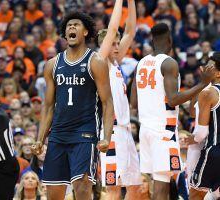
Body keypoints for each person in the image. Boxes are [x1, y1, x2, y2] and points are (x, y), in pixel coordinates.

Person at [31, 11, 114, 200]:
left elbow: (107, 102)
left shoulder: (96, 61)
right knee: (53, 193)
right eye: (68, 26)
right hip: (58, 134)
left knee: (82, 188)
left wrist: (106, 137)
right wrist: (40, 138)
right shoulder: (53, 64)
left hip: (84, 133)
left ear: (85, 32)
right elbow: (48, 106)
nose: (71, 28)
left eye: (76, 25)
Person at [130, 23, 214, 200]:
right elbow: (174, 99)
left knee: (158, 182)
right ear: (170, 39)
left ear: (152, 40)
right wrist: (202, 83)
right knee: (161, 188)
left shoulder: (141, 63)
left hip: (145, 130)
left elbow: (134, 103)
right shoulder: (169, 63)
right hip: (163, 131)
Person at [97, 0, 142, 199]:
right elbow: (114, 27)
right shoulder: (101, 63)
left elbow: (130, 31)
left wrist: (130, 2)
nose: (117, 47)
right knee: (113, 188)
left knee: (134, 186)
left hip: (125, 131)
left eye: (118, 43)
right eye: (113, 44)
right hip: (111, 132)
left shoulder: (115, 64)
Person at [184, 52, 220, 200]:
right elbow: (193, 112)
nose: (205, 69)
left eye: (209, 67)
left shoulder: (209, 93)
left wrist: (191, 139)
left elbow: (201, 134)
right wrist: (202, 83)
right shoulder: (205, 90)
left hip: (213, 149)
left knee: (196, 194)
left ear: (218, 73)